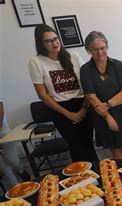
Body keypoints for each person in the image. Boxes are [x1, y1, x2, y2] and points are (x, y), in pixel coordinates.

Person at [28, 24, 98, 162]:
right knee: (76, 147)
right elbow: (42, 94)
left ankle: (97, 177)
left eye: (55, 39)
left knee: (89, 144)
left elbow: (87, 82)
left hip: (82, 103)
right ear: (40, 43)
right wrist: (68, 114)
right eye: (48, 41)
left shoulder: (73, 56)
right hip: (60, 109)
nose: (54, 43)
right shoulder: (36, 62)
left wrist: (83, 108)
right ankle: (81, 180)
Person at [80, 31, 122, 160]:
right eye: (95, 49)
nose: (100, 52)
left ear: (107, 47)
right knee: (117, 152)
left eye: (102, 48)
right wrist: (108, 116)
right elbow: (91, 97)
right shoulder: (85, 70)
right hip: (103, 116)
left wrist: (107, 105)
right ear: (89, 50)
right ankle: (121, 179)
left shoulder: (118, 65)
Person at [0, 97, 31, 189]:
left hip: (2, 131)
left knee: (12, 160)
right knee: (0, 162)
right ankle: (15, 186)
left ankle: (21, 170)